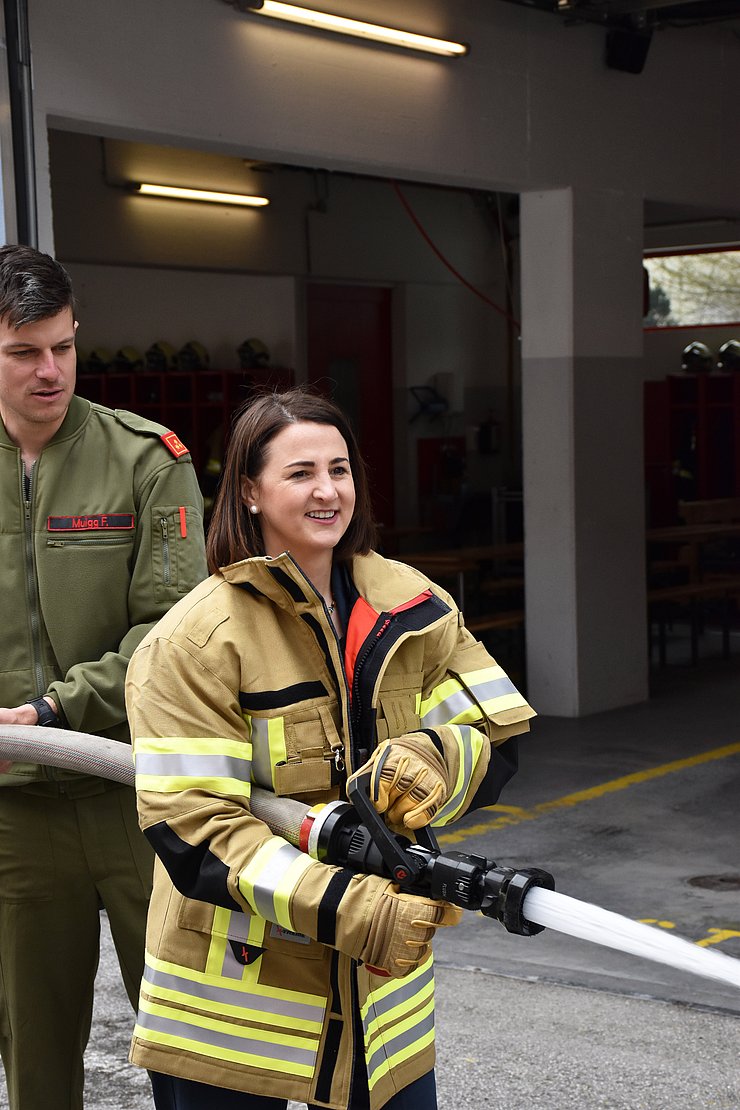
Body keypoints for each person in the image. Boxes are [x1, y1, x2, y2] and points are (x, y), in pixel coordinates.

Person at [125, 387, 535, 1110]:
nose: (327, 491)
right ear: (249, 492)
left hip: (376, 998)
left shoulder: (412, 607)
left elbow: (493, 730)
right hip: (233, 1001)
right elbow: (196, 832)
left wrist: (439, 757)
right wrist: (347, 904)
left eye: (339, 469)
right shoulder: (194, 639)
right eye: (301, 472)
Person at [0, 243, 208, 1110]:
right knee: (35, 1050)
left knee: (191, 1036)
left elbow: (173, 630)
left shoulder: (147, 461)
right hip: (13, 810)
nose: (50, 370)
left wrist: (54, 707)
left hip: (135, 793)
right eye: (22, 352)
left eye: (62, 345)